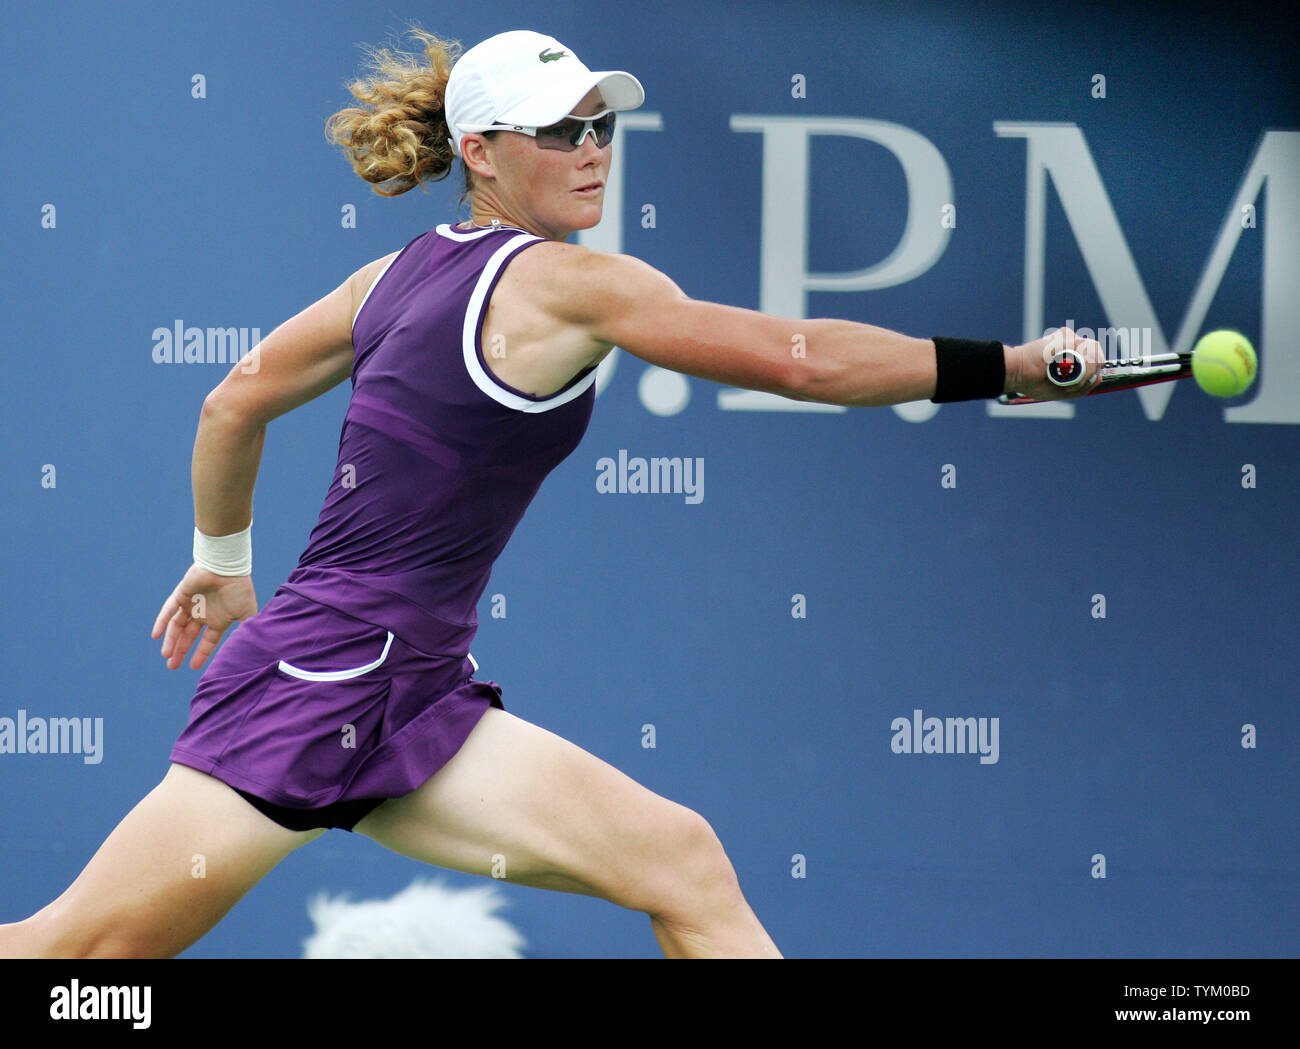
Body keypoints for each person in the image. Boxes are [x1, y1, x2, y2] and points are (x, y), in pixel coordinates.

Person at [0, 27, 1100, 960]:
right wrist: (1009, 364)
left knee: (681, 859)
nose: (591, 151)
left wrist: (223, 559)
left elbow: (233, 398)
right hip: (320, 681)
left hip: (413, 694)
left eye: (600, 125)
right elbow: (802, 360)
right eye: (558, 131)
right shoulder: (577, 285)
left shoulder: (387, 275)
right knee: (74, 954)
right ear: (478, 152)